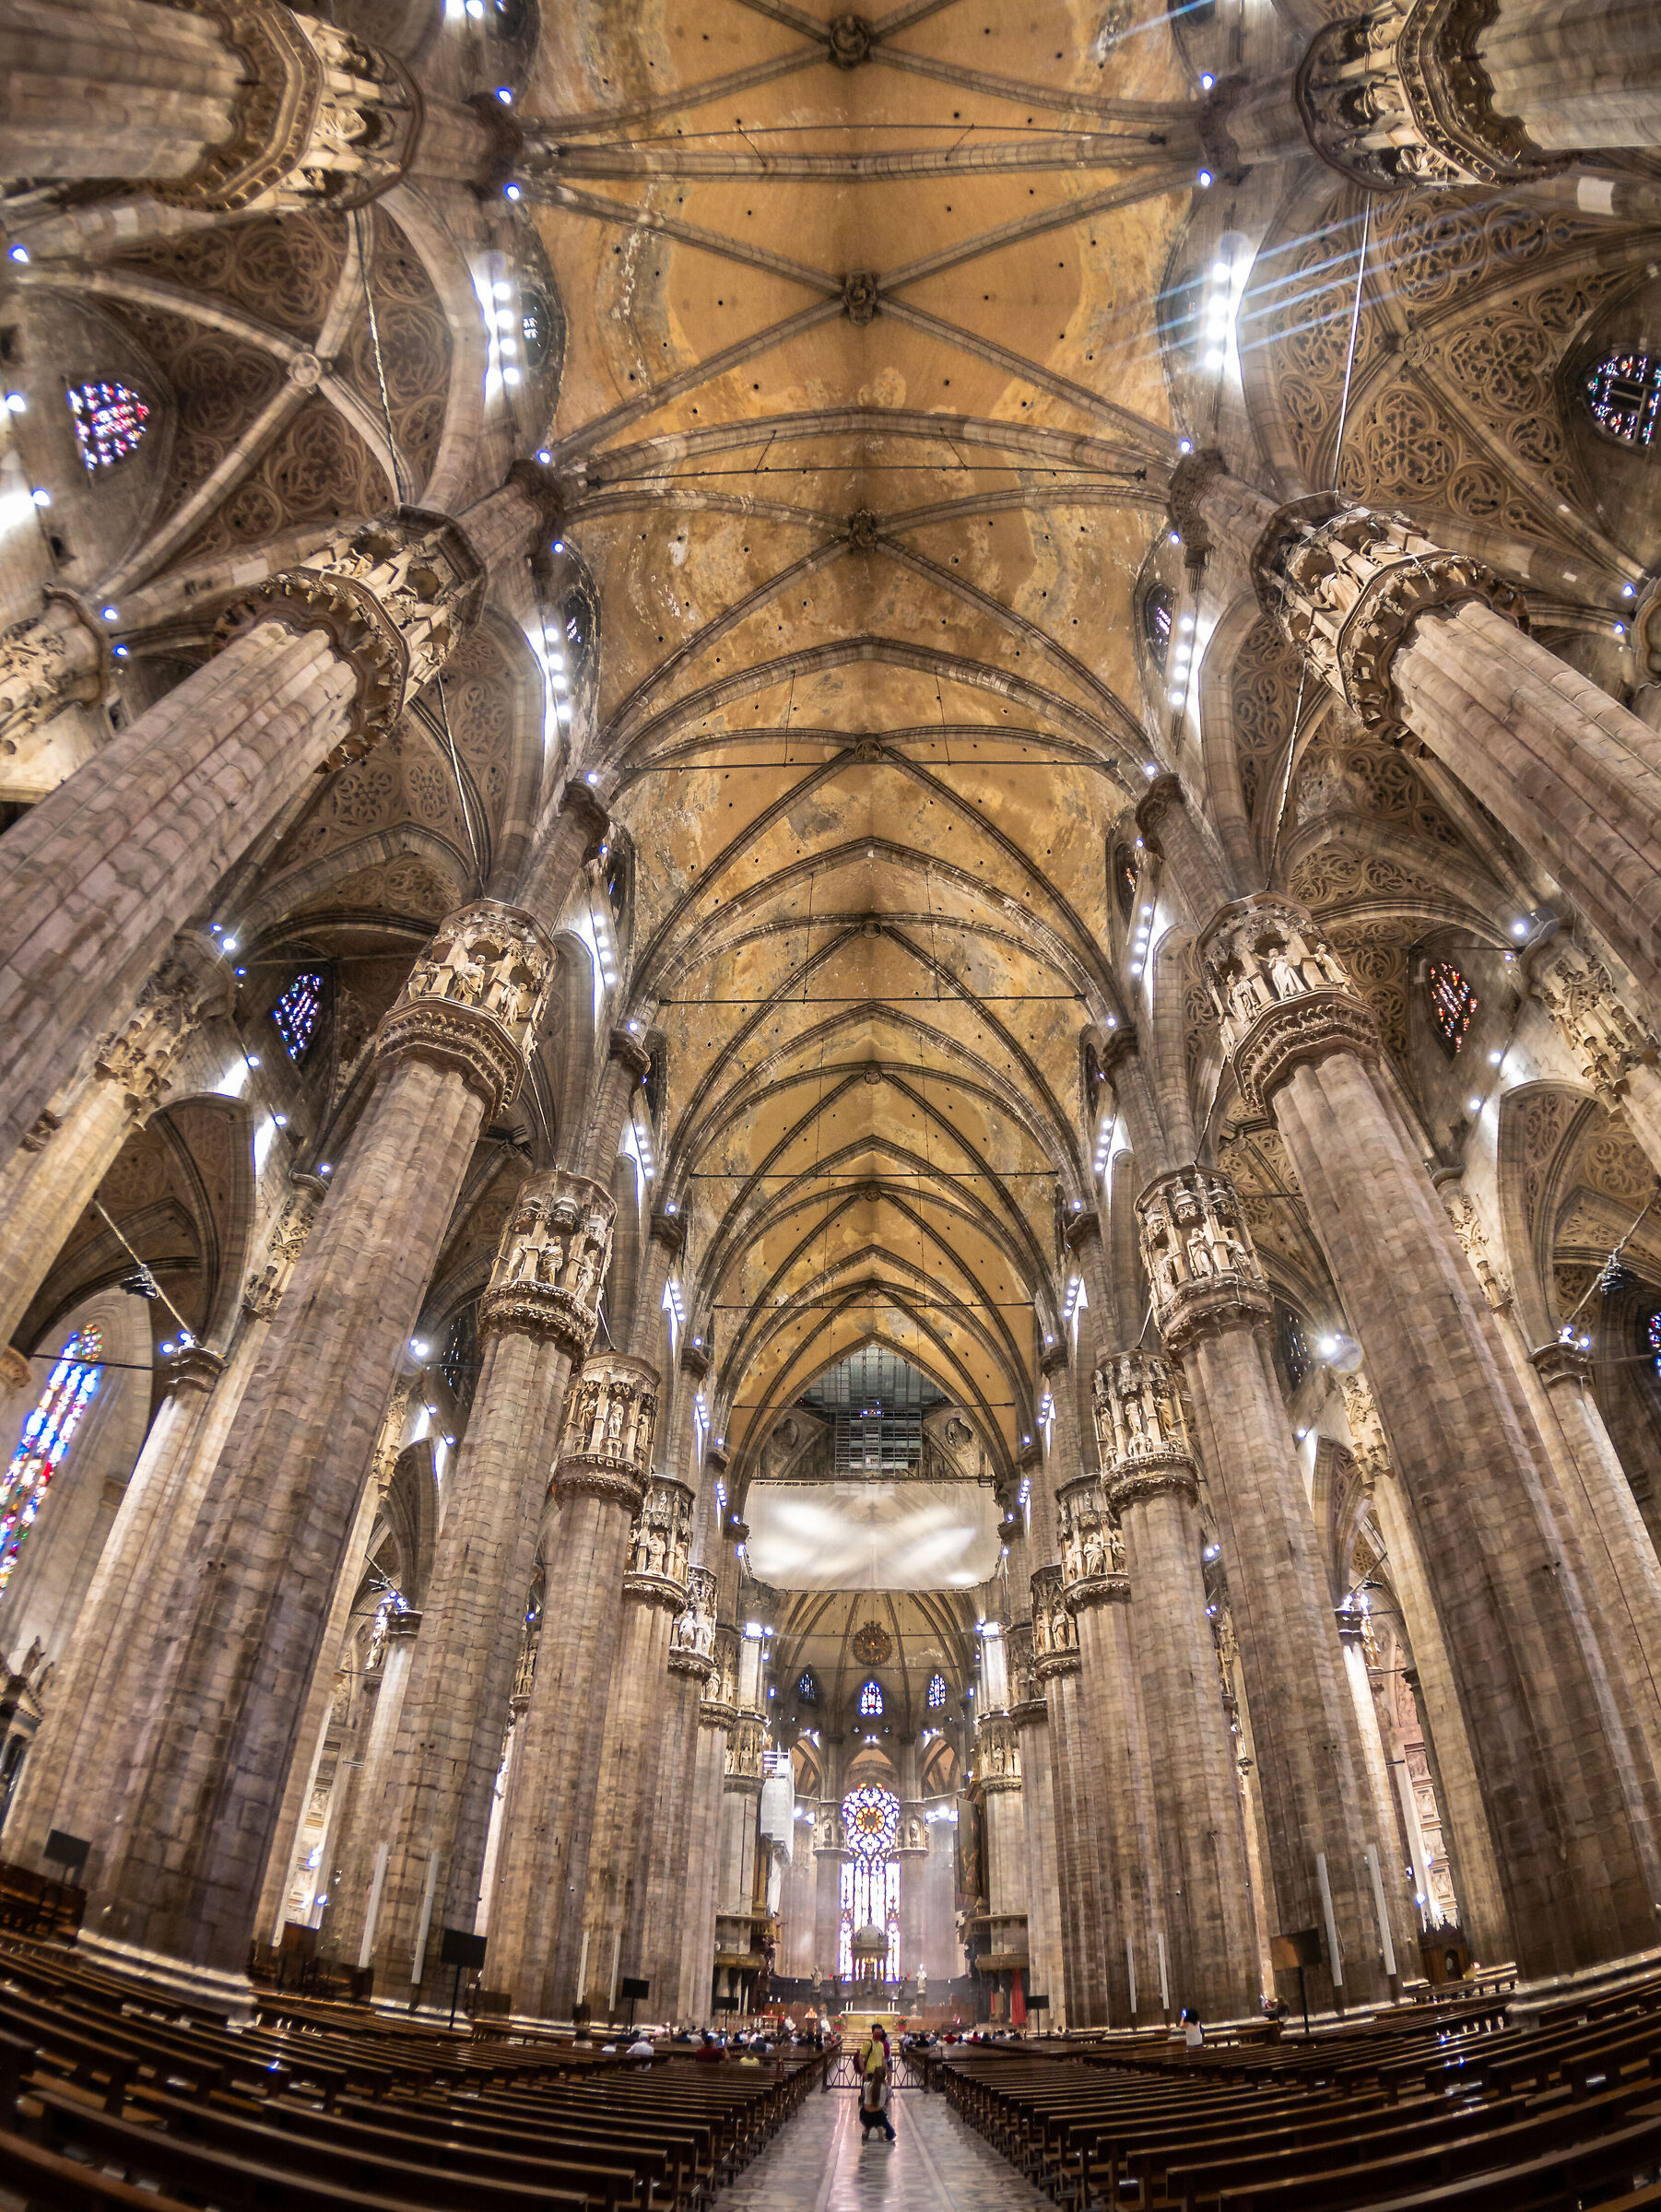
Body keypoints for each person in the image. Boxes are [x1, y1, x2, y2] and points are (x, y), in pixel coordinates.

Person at [858, 2022, 896, 2144]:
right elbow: (861, 2057)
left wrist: (888, 2071)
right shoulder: (868, 2044)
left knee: (877, 2101)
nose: (878, 2035)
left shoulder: (880, 2045)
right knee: (869, 2100)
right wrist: (863, 2070)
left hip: (879, 2074)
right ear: (872, 2032)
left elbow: (883, 2060)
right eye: (876, 2033)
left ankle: (870, 2127)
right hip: (870, 2074)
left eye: (880, 2033)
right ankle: (871, 2128)